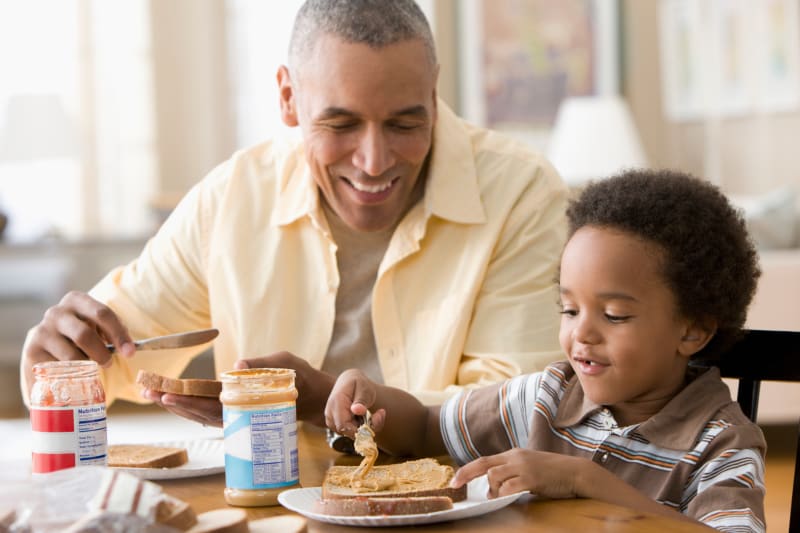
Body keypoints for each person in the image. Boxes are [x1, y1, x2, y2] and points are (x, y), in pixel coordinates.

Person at [20, 0, 568, 428]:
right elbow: (116, 358)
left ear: (433, 90)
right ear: (288, 98)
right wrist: (57, 358)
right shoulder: (232, 200)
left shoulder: (520, 191)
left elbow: (513, 408)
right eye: (341, 124)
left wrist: (320, 403)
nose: (374, 161)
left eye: (405, 123)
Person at [324, 169, 766, 531]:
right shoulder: (547, 396)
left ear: (692, 331)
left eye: (613, 315)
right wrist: (371, 401)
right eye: (570, 309)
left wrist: (583, 479)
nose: (582, 335)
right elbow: (424, 426)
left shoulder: (722, 445)